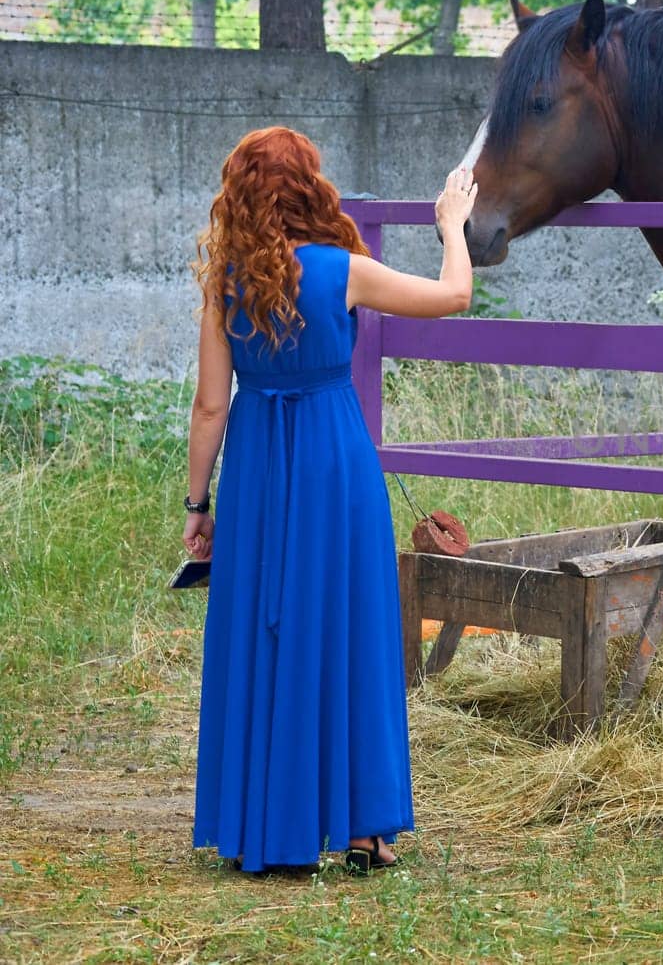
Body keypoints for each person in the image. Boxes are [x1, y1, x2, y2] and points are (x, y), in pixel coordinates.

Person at [182, 126, 476, 874]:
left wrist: (198, 504)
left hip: (254, 466)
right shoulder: (343, 270)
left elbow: (210, 407)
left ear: (241, 197)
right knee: (349, 627)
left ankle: (265, 827)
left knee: (263, 631)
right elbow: (454, 294)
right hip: (334, 463)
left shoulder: (225, 284)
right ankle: (365, 828)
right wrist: (451, 226)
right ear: (310, 188)